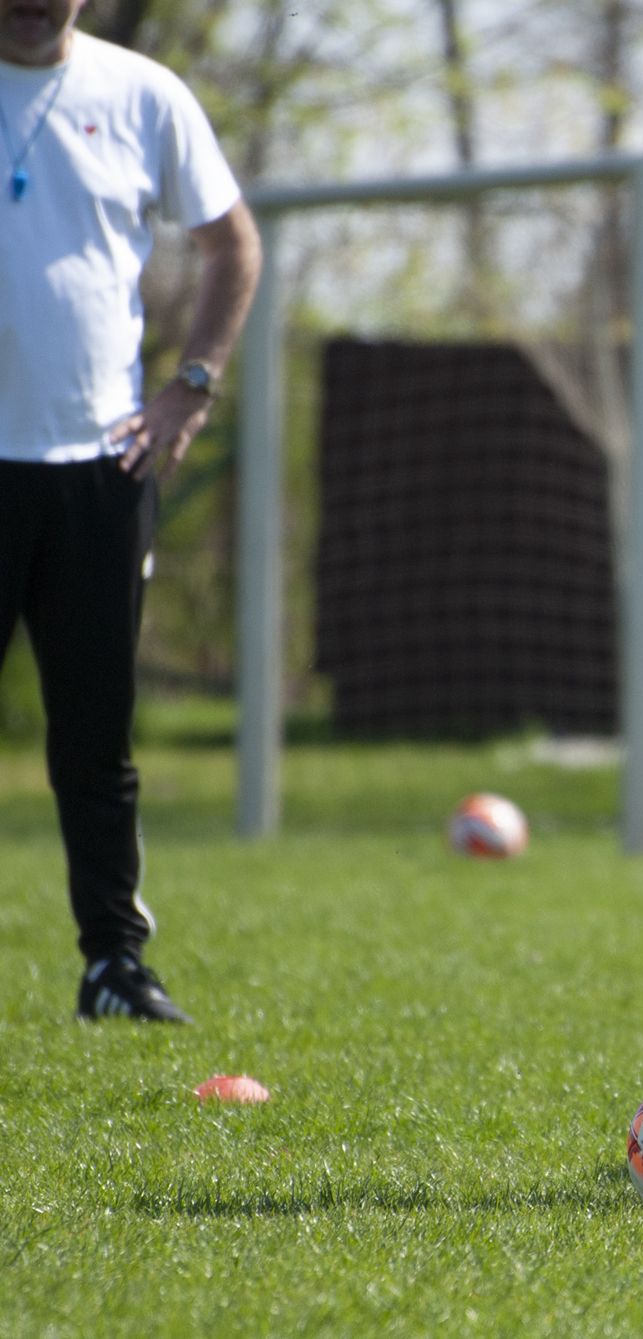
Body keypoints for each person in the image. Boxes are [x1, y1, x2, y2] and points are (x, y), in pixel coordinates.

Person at [1, 0, 262, 1022]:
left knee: (95, 738)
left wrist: (190, 388)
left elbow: (232, 245)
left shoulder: (145, 93)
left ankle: (113, 964)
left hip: (102, 470)